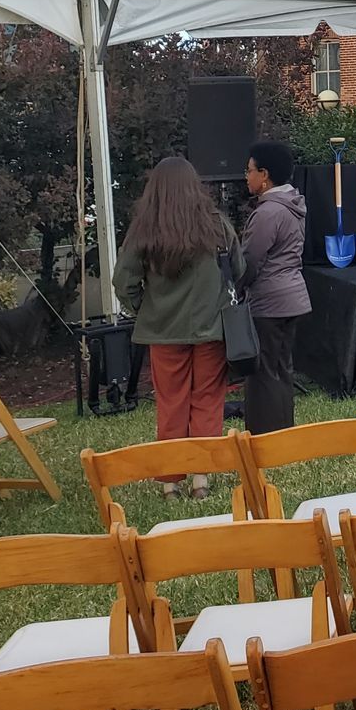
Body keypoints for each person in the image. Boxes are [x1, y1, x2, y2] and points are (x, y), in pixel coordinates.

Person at [115, 156, 241, 498]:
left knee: (171, 402)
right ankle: (201, 478)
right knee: (207, 400)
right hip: (211, 330)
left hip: (162, 332)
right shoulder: (216, 224)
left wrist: (147, 309)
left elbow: (123, 282)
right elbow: (239, 270)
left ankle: (171, 482)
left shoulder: (144, 229)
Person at [242, 140, 311, 434]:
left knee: (263, 372)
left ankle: (266, 436)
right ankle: (285, 431)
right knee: (282, 368)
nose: (246, 176)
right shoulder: (294, 206)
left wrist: (238, 284)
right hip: (293, 297)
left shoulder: (269, 212)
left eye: (250, 170)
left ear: (265, 175)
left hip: (268, 301)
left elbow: (250, 260)